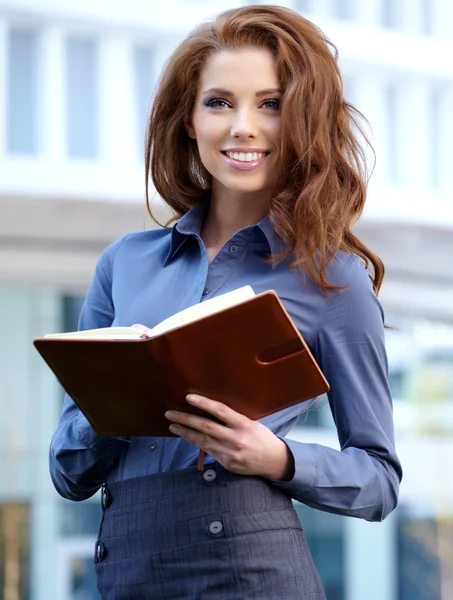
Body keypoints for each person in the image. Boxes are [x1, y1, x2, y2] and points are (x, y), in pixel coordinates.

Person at [49, 5, 402, 599]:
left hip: (252, 569)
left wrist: (278, 457)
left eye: (271, 105)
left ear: (304, 123)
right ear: (189, 120)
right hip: (128, 565)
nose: (243, 126)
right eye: (219, 102)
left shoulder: (332, 279)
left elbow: (378, 481)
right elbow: (68, 473)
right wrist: (113, 407)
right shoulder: (124, 263)